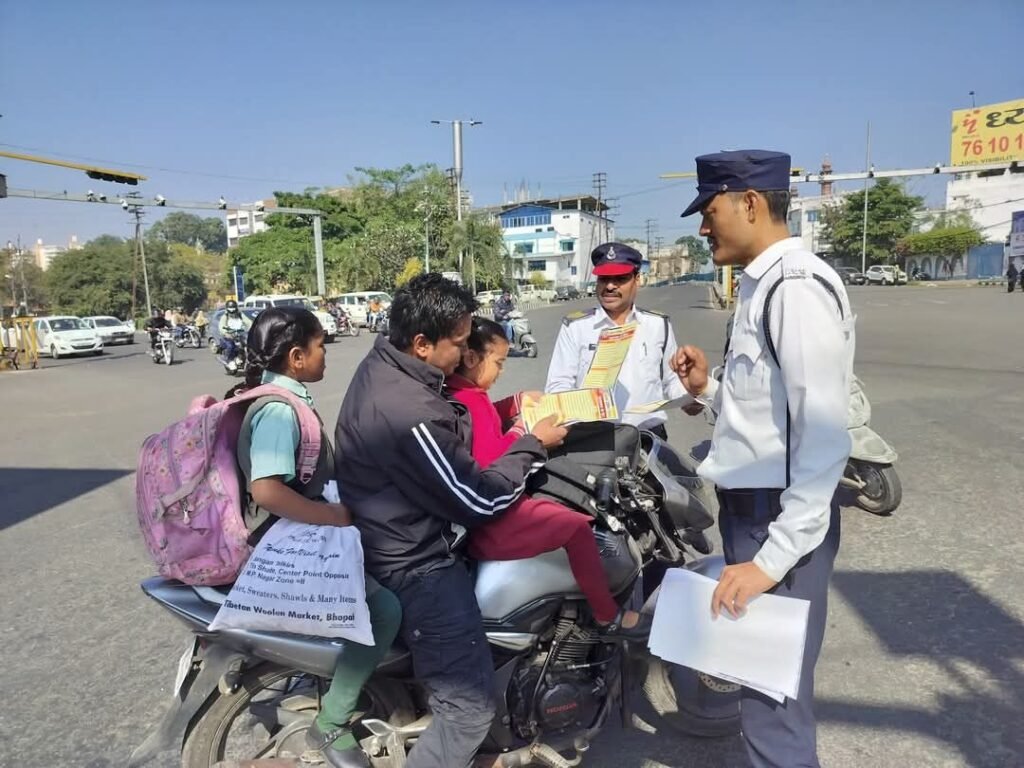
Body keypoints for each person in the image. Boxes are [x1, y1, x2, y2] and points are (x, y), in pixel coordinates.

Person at [334, 274, 566, 768]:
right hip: (415, 563)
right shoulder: (408, 409)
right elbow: (476, 500)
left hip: (394, 534)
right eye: (458, 345)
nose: (465, 355)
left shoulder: (389, 363)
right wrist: (531, 446)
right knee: (468, 712)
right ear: (421, 343)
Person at [672, 149, 855, 768]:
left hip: (778, 520)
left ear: (749, 204)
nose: (703, 227)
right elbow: (766, 413)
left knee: (773, 704)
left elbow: (822, 437)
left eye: (711, 210)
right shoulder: (764, 286)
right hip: (754, 510)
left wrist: (771, 561)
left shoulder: (795, 289)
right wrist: (708, 389)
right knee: (759, 689)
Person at [232, 306, 400, 768]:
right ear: (296, 355)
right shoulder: (277, 411)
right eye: (321, 344)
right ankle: (333, 721)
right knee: (385, 611)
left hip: (305, 531)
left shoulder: (283, 398)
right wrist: (330, 517)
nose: (326, 351)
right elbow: (266, 490)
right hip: (294, 541)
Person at [448, 316, 651, 640]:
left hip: (495, 507)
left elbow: (486, 416)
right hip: (496, 517)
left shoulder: (464, 394)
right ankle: (605, 615)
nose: (501, 371)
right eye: (498, 363)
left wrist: (514, 403)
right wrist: (527, 431)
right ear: (471, 358)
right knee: (576, 529)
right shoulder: (468, 400)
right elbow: (493, 460)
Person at [545, 242, 690, 439]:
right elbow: (558, 386)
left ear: (637, 279)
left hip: (648, 438)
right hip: (593, 442)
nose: (610, 286)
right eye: (604, 279)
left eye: (620, 279)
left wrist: (691, 399)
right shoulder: (576, 327)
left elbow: (671, 380)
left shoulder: (658, 325)